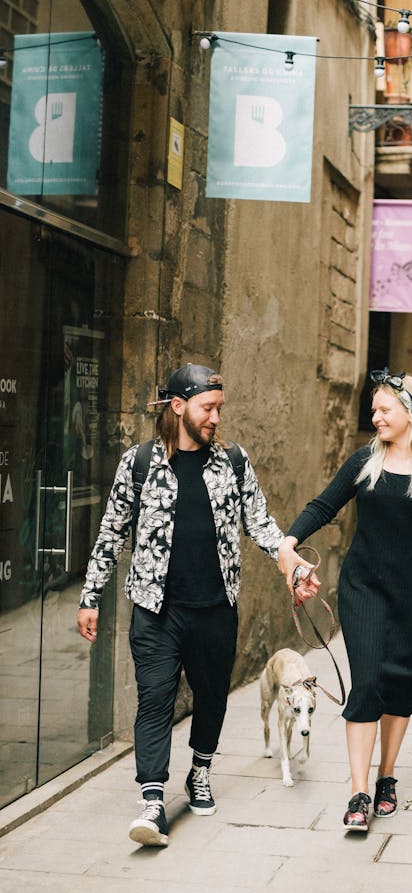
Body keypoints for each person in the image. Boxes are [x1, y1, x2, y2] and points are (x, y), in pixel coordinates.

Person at [77, 363, 316, 848]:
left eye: (219, 409)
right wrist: (91, 596)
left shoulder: (232, 461)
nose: (215, 418)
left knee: (211, 697)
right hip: (156, 609)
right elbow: (111, 530)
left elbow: (261, 523)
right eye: (208, 408)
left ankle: (200, 771)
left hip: (214, 607)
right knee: (155, 700)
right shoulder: (139, 462)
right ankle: (152, 800)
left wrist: (291, 565)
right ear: (179, 406)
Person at [277, 367, 412, 833]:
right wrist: (290, 540)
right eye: (374, 409)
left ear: (409, 413)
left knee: (402, 685)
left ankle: (388, 775)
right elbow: (323, 506)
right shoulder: (363, 463)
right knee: (366, 684)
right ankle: (359, 791)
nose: (376, 416)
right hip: (362, 589)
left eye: (383, 409)